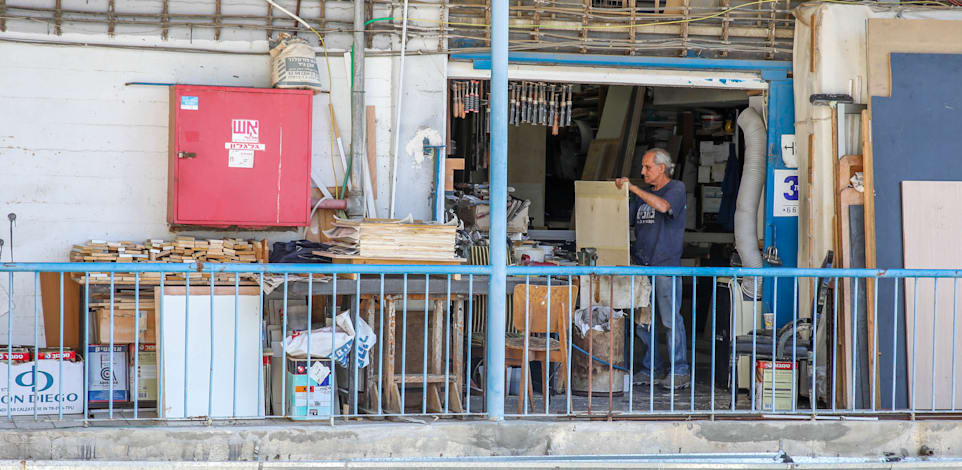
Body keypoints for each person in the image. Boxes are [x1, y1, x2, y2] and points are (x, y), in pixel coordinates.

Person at [615, 148, 690, 390]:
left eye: (647, 167)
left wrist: (634, 189)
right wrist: (621, 195)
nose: (642, 171)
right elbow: (623, 220)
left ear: (662, 167)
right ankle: (651, 368)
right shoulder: (641, 196)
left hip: (666, 266)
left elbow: (663, 206)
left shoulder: (676, 188)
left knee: (669, 320)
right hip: (642, 266)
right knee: (643, 322)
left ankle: (680, 370)